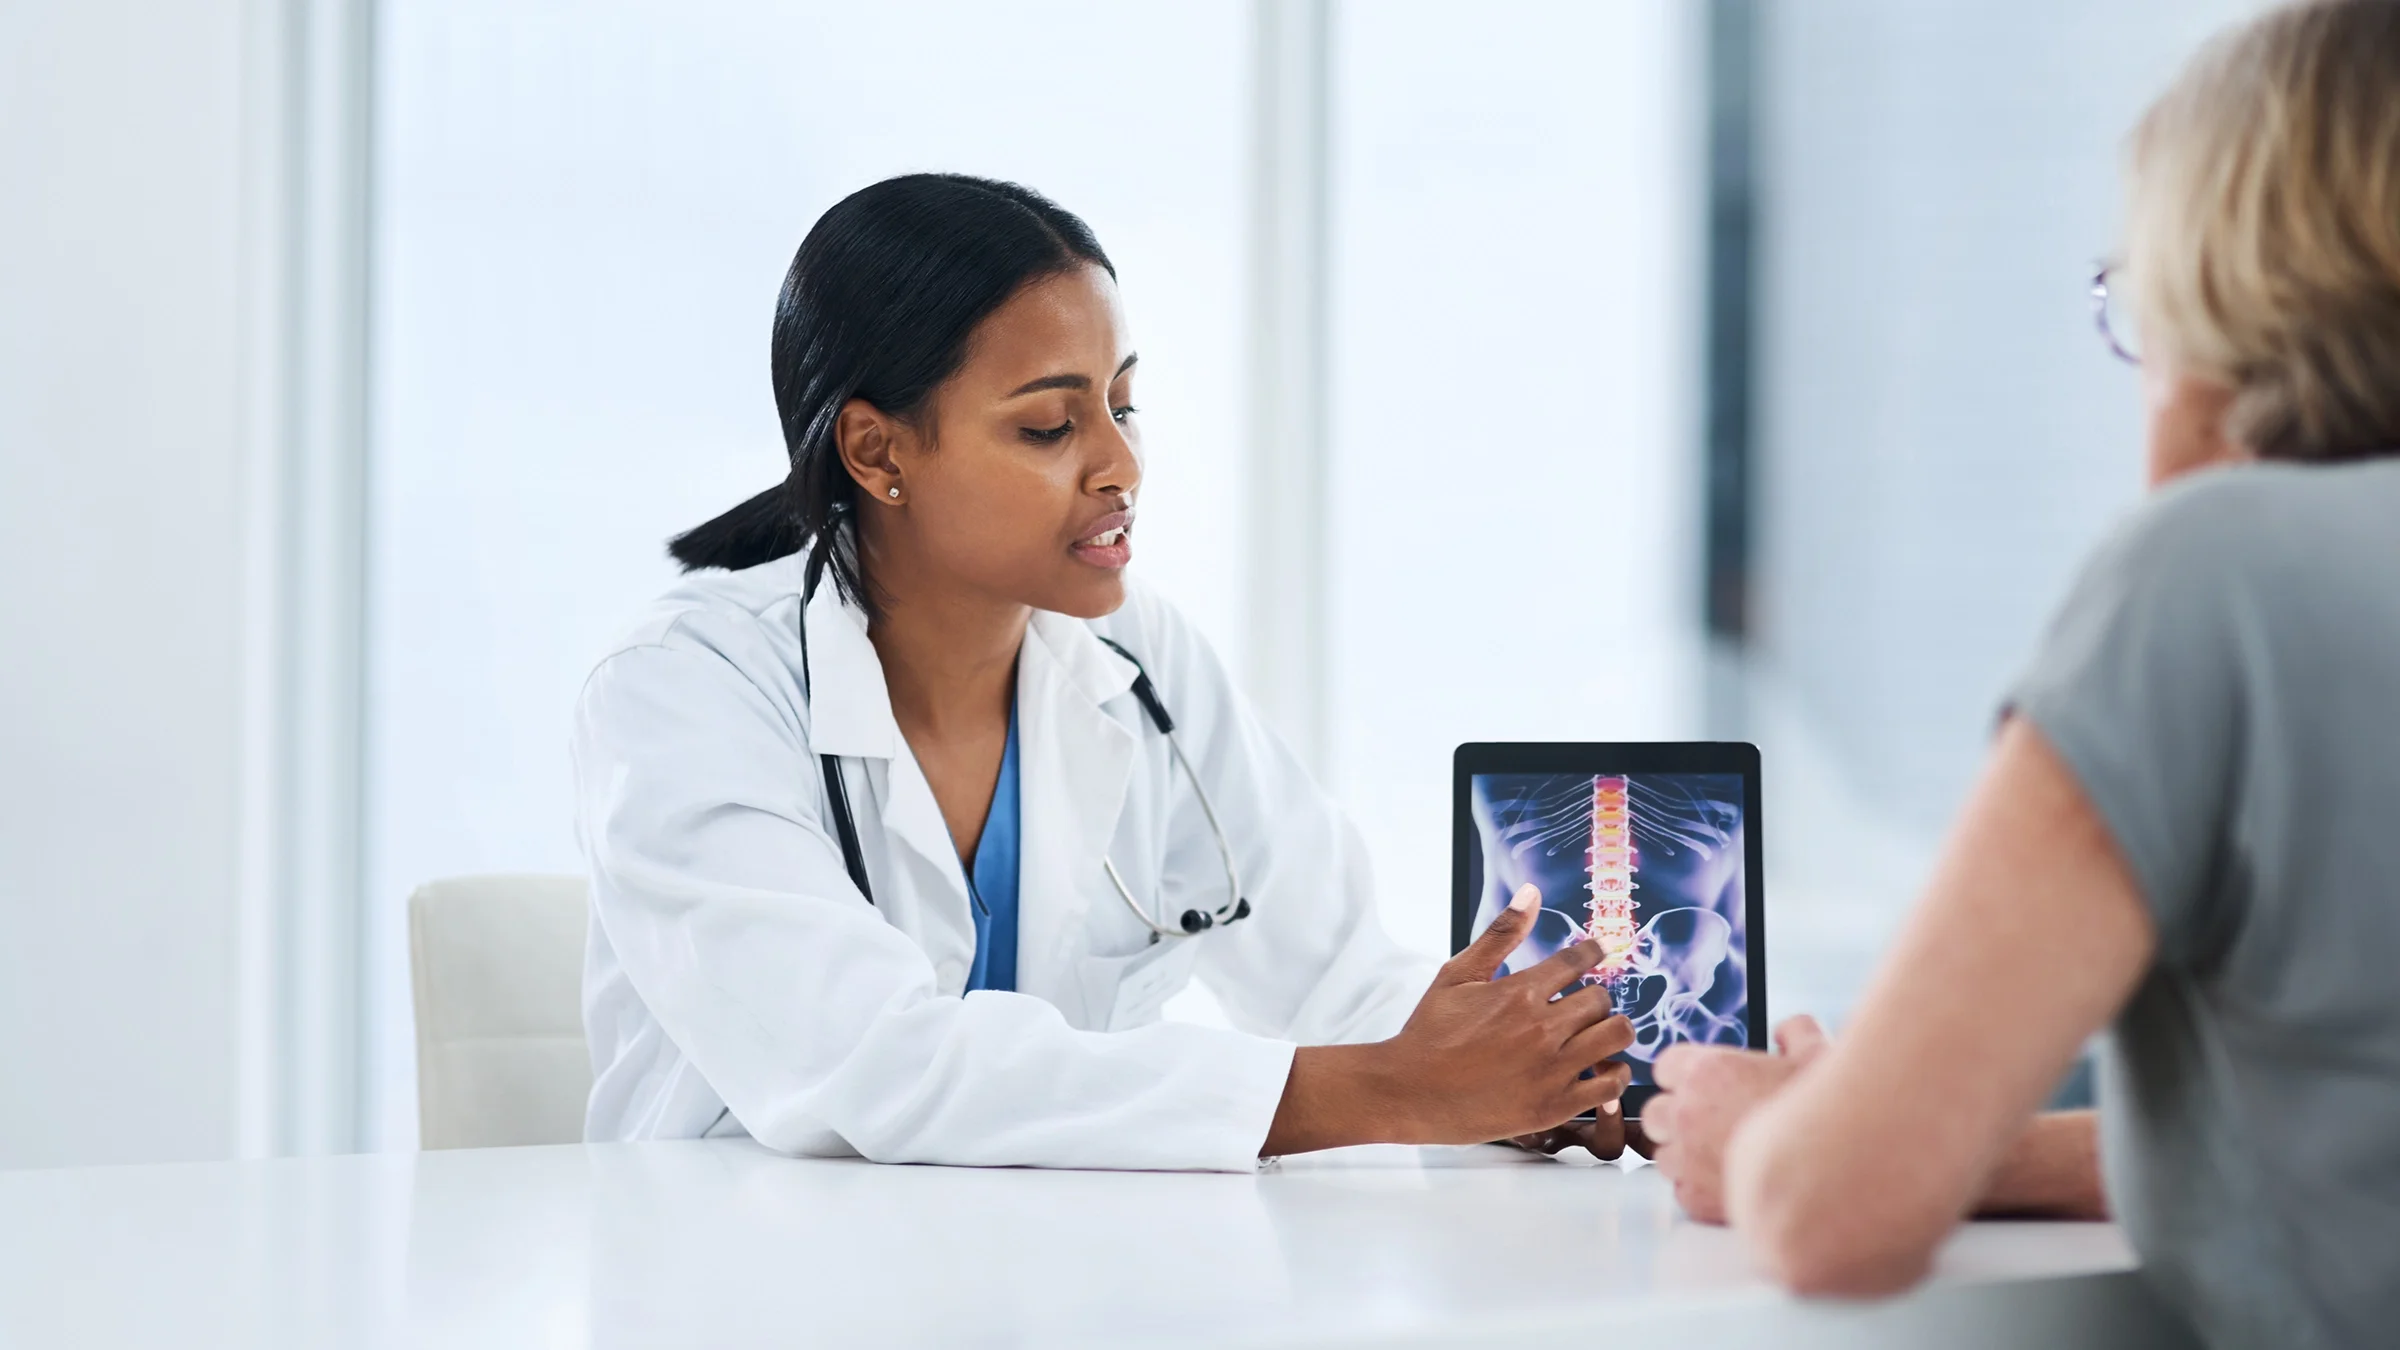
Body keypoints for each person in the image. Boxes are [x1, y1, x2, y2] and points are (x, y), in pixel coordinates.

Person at [575, 173, 1638, 1169]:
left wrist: (1518, 1078)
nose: (1121, 467)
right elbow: (871, 1067)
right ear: (878, 452)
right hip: (747, 1286)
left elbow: (1342, 979)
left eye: (1122, 407)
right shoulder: (687, 688)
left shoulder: (1143, 664)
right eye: (1050, 424)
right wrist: (1389, 1093)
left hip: (1058, 1280)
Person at [1640, 3, 2400, 1345]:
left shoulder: (2214, 573)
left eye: (2137, 305)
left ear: (2232, 281)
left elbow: (1834, 1209)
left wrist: (1771, 1133)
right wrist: (1973, 1141)